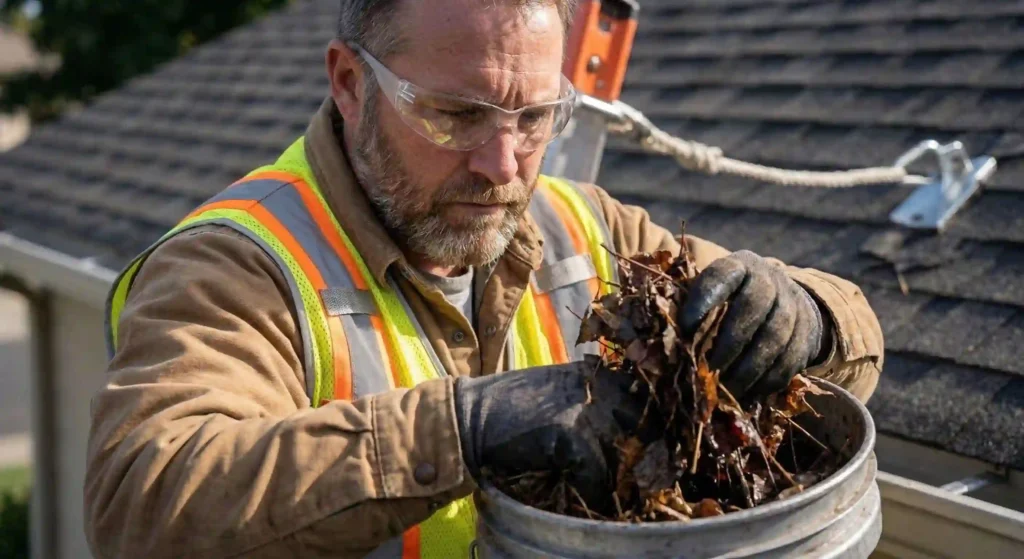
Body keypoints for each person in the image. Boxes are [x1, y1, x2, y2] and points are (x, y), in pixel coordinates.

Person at [83, 0, 884, 557]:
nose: (503, 166)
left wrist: (807, 314)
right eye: (456, 115)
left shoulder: (588, 227)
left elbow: (857, 346)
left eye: (535, 118)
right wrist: (467, 428)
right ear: (349, 83)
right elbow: (144, 505)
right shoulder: (238, 264)